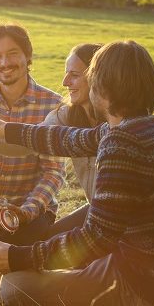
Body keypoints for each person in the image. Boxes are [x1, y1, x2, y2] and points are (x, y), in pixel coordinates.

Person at [0, 40, 154, 306]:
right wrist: (2, 128)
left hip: (148, 281)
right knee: (52, 248)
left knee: (14, 286)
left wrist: (17, 258)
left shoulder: (123, 144)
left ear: (103, 88)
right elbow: (67, 138)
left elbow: (96, 238)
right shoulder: (142, 128)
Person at [0, 23, 65, 246]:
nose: (5, 63)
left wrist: (25, 212)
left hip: (27, 210)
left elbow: (53, 173)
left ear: (28, 56)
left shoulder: (52, 105)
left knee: (10, 256)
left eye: (13, 54)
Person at [43, 43, 103, 238]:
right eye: (66, 73)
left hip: (124, 218)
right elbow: (30, 139)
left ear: (96, 78)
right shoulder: (66, 116)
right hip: (96, 209)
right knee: (47, 239)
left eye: (74, 75)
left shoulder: (118, 121)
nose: (64, 82)